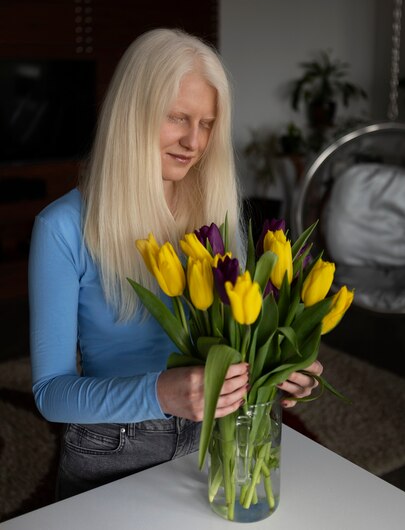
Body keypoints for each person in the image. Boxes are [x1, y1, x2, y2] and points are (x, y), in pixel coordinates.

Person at [29, 28, 323, 500]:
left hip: (216, 440)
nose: (194, 141)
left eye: (207, 123)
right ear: (133, 115)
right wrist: (157, 393)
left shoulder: (215, 211)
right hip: (112, 450)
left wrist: (281, 364)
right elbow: (50, 394)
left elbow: (239, 336)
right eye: (178, 118)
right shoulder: (63, 228)